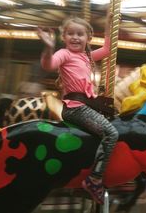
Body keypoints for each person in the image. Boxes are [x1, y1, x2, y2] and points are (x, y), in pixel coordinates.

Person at [37, 15, 118, 204]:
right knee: (112, 134)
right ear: (64, 37)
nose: (75, 37)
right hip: (75, 108)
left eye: (80, 34)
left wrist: (108, 26)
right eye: (71, 34)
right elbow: (48, 65)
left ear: (88, 38)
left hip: (85, 105)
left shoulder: (86, 56)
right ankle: (95, 179)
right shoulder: (64, 54)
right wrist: (49, 47)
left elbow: (107, 50)